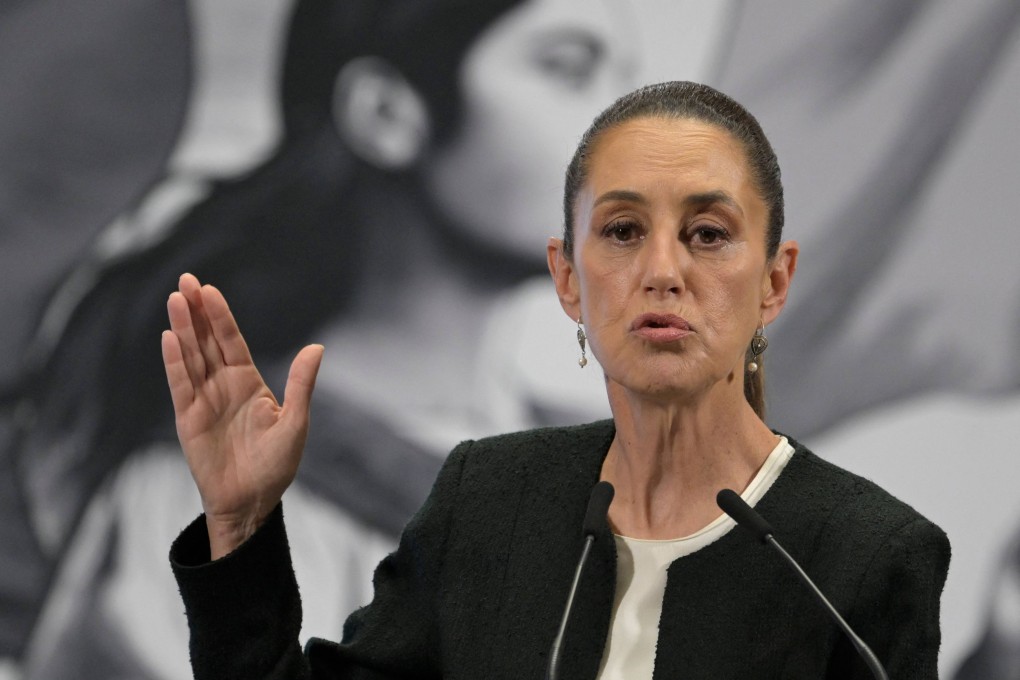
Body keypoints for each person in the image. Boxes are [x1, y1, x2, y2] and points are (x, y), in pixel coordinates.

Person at [164, 81, 950, 679]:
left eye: (707, 234)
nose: (663, 271)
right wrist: (239, 526)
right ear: (568, 278)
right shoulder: (487, 499)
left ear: (774, 284)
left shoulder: (866, 556)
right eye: (622, 231)